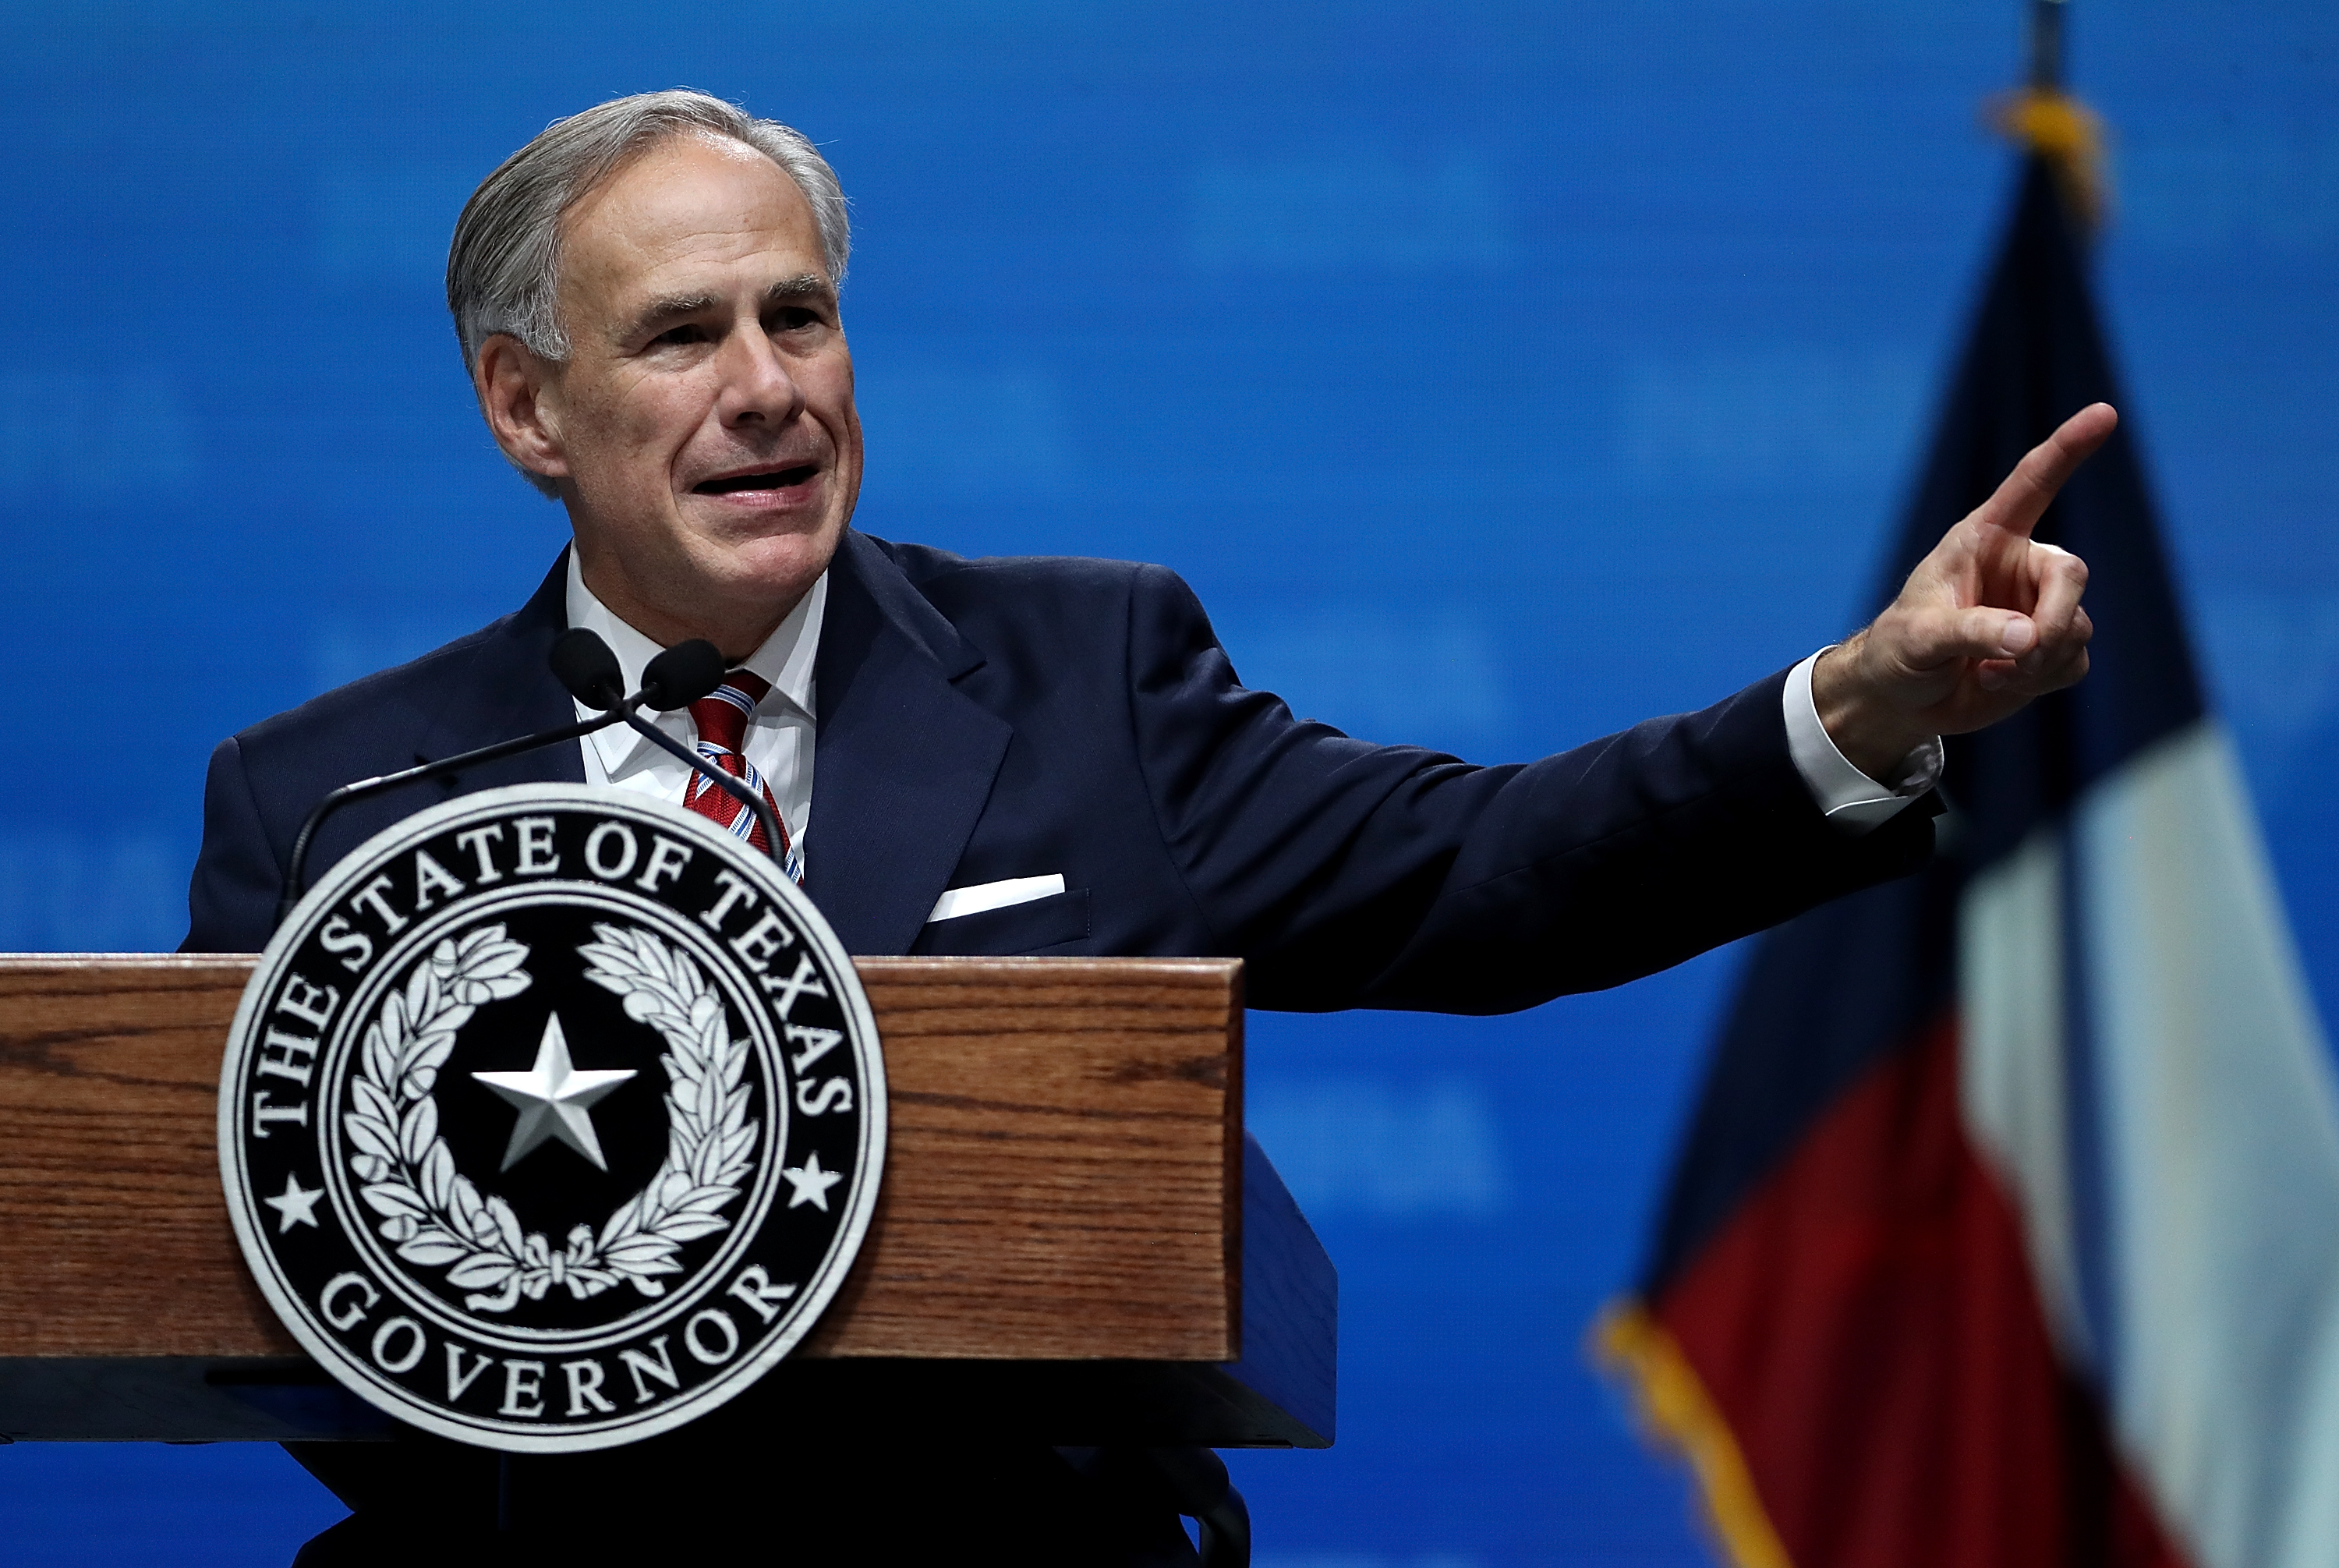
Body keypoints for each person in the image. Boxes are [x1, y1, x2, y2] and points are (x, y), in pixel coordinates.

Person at [182, 90, 2104, 1565]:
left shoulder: (1082, 668)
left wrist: (1855, 704)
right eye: (685, 335)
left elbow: (1487, 872)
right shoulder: (339, 797)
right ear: (527, 407)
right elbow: (236, 1280)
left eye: (804, 316)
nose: (768, 390)